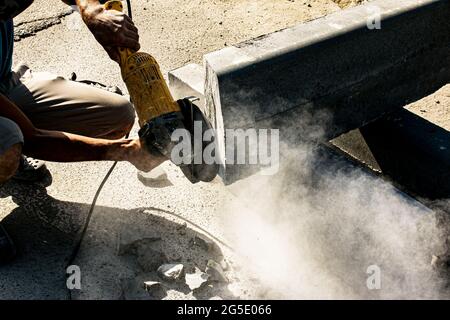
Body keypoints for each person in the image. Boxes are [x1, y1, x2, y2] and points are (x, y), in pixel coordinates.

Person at [0, 0, 166, 264]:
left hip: (3, 85)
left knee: (117, 115)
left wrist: (93, 12)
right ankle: (8, 159)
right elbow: (35, 138)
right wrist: (127, 151)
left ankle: (11, 162)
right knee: (9, 140)